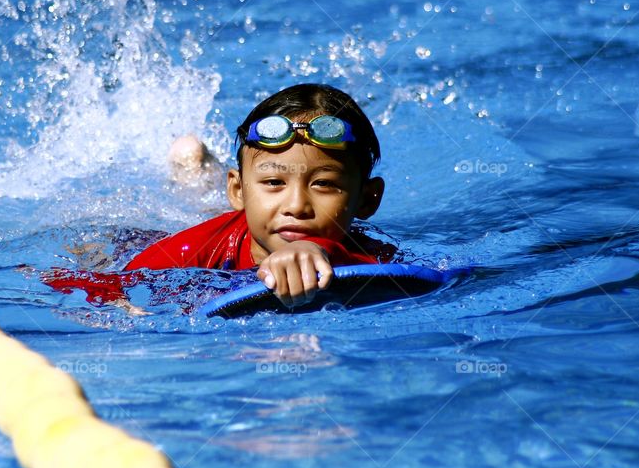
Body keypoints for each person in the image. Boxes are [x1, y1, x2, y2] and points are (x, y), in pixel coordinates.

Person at [44, 84, 395, 310]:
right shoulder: (196, 246)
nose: (296, 206)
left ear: (367, 199)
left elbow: (411, 276)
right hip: (186, 230)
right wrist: (125, 307)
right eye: (274, 182)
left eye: (323, 185)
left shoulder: (368, 252)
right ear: (238, 191)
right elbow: (77, 282)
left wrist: (322, 250)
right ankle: (192, 164)